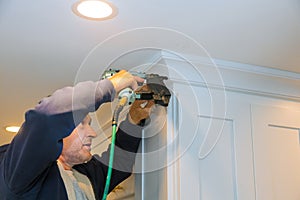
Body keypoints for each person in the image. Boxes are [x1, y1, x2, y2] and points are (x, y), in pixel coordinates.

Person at [0, 70, 155, 200]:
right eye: (82, 124)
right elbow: (45, 118)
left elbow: (117, 162)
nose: (93, 133)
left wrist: (133, 120)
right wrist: (110, 86)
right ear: (60, 131)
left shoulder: (85, 177)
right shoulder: (24, 174)